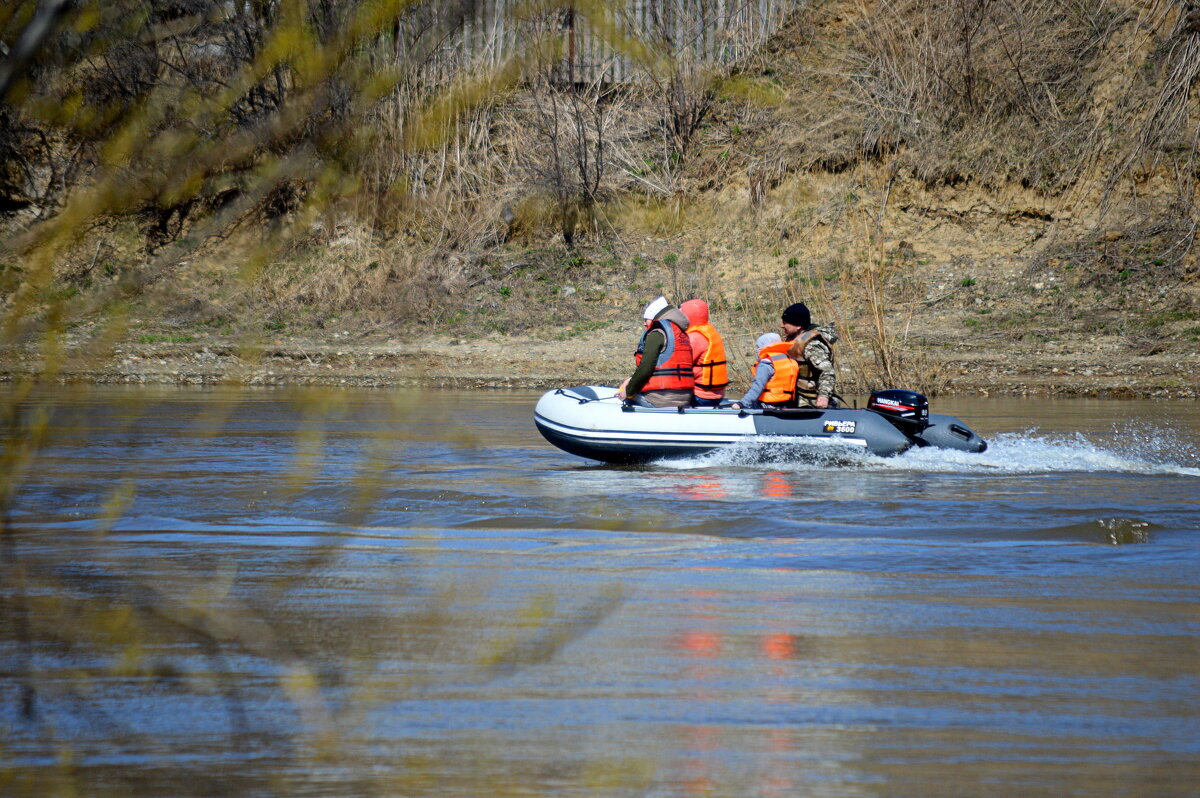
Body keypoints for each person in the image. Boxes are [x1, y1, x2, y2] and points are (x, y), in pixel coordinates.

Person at [618, 296, 694, 408]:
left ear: (654, 316)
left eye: (646, 319)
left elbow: (645, 368)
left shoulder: (657, 333)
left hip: (661, 399)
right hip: (685, 397)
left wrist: (628, 392)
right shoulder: (680, 332)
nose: (644, 323)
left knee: (625, 398)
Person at [779, 302, 838, 408]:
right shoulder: (793, 340)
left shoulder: (811, 345)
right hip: (795, 402)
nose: (781, 325)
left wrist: (823, 397)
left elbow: (827, 371)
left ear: (798, 326)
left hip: (811, 404)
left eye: (785, 322)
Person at [680, 298, 729, 407]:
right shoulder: (711, 332)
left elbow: (680, 363)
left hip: (701, 396)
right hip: (718, 395)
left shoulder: (694, 338)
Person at [730, 333, 797, 410]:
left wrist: (742, 404)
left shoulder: (766, 363)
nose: (756, 349)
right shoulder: (790, 360)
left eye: (758, 347)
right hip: (786, 404)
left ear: (764, 346)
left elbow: (758, 386)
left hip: (767, 405)